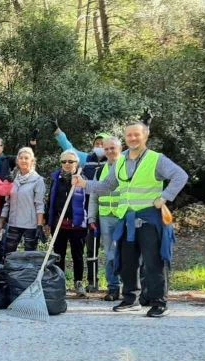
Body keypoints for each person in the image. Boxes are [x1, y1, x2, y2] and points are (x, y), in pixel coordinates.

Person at [74, 122, 188, 318]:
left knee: (153, 262)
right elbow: (108, 185)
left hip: (150, 217)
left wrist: (165, 197)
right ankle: (130, 300)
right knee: (128, 261)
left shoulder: (156, 159)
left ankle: (159, 303)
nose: (133, 138)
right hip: (126, 218)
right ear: (125, 138)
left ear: (146, 136)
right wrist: (85, 184)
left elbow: (180, 175)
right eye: (129, 135)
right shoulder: (120, 160)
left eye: (137, 134)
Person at [54, 126, 110, 292]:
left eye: (103, 143)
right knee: (91, 248)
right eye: (97, 143)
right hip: (89, 209)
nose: (99, 146)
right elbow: (69, 149)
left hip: (110, 209)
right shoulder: (87, 159)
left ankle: (114, 284)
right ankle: (92, 282)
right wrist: (58, 132)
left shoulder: (115, 160)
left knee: (112, 249)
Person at [47, 150, 89, 297]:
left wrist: (89, 219)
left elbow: (88, 201)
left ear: (76, 163)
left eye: (70, 161)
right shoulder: (56, 178)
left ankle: (78, 282)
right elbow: (51, 200)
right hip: (59, 224)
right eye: (64, 161)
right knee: (59, 254)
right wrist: (48, 220)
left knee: (78, 255)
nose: (67, 164)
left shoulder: (82, 179)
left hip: (77, 224)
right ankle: (61, 282)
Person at [87, 136, 123, 301]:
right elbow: (94, 195)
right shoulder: (100, 171)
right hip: (105, 217)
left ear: (120, 149)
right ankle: (113, 288)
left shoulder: (127, 167)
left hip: (124, 216)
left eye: (112, 148)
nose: (109, 151)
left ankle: (130, 288)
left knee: (129, 253)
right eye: (106, 149)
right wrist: (91, 217)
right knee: (110, 254)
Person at [0, 147, 46, 258]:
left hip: (30, 225)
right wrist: (1, 220)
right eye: (21, 158)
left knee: (29, 256)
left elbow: (39, 204)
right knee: (8, 254)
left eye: (26, 158)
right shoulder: (12, 179)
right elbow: (7, 203)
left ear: (32, 161)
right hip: (13, 222)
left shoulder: (38, 180)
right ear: (17, 160)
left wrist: (39, 225)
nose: (23, 160)